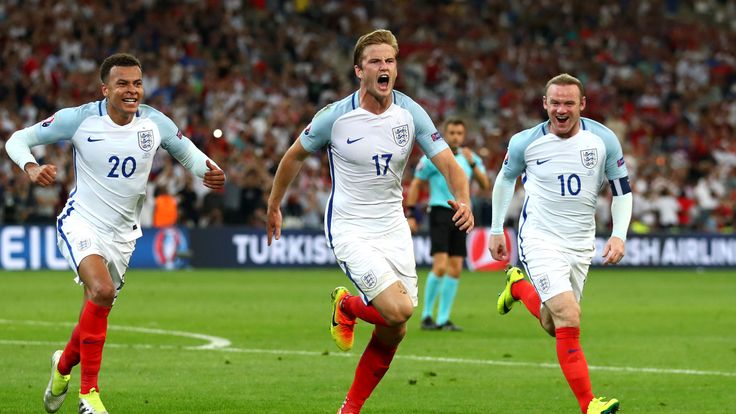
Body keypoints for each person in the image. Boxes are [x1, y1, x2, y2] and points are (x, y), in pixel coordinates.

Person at [266, 29, 474, 414]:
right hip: (350, 226)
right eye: (376, 61)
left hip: (393, 226)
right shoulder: (335, 117)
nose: (384, 67)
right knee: (399, 310)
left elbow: (448, 162)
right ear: (359, 70)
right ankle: (346, 306)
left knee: (396, 327)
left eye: (390, 61)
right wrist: (274, 203)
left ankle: (350, 408)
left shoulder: (410, 112)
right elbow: (294, 156)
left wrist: (463, 197)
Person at [5, 53, 225, 414]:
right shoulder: (79, 119)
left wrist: (209, 171)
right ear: (105, 88)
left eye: (137, 83)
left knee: (96, 306)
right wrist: (30, 166)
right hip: (82, 221)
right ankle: (88, 395)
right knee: (102, 290)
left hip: (123, 236)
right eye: (123, 83)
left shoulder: (154, 123)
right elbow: (17, 139)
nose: (132, 90)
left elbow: (187, 152)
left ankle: (62, 368)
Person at [489, 73, 631, 414]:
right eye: (555, 103)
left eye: (569, 103)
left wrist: (619, 233)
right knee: (569, 315)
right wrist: (496, 229)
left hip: (581, 243)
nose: (561, 109)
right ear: (545, 104)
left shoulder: (604, 140)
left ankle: (518, 286)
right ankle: (589, 404)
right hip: (539, 238)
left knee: (555, 324)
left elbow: (622, 191)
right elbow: (505, 179)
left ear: (582, 104)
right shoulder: (525, 142)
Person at [406, 118, 490, 331]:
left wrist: (472, 163)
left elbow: (484, 184)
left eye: (459, 133)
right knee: (440, 266)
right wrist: (411, 213)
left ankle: (443, 319)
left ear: (464, 135)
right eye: (451, 133)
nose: (455, 137)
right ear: (445, 134)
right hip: (440, 212)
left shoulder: (470, 158)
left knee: (455, 268)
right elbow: (416, 183)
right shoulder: (434, 158)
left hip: (462, 213)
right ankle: (426, 316)